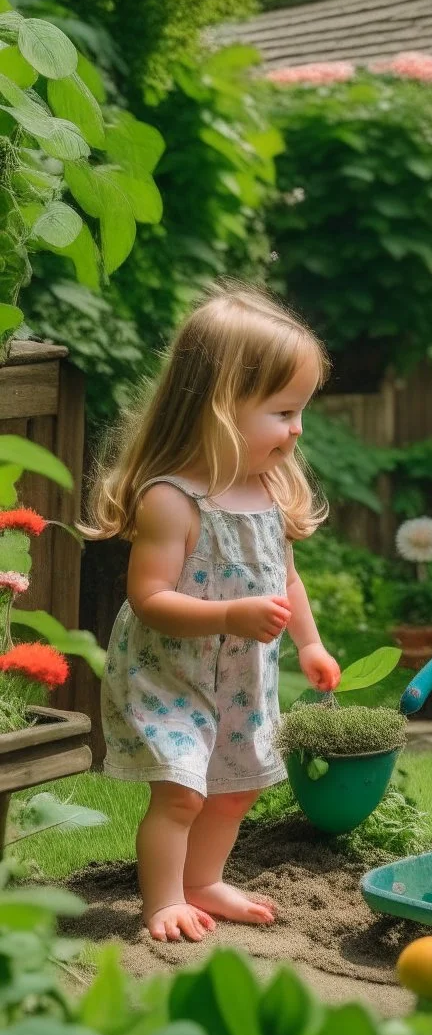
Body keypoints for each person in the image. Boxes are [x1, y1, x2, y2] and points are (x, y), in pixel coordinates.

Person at [84, 279, 340, 943]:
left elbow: (289, 580)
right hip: (170, 676)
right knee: (182, 791)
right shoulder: (172, 500)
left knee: (234, 789)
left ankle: (203, 881)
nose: (298, 429)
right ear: (221, 408)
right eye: (283, 413)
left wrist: (310, 646)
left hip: (243, 683)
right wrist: (227, 616)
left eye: (300, 411)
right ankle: (163, 899)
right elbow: (151, 600)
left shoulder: (270, 490)